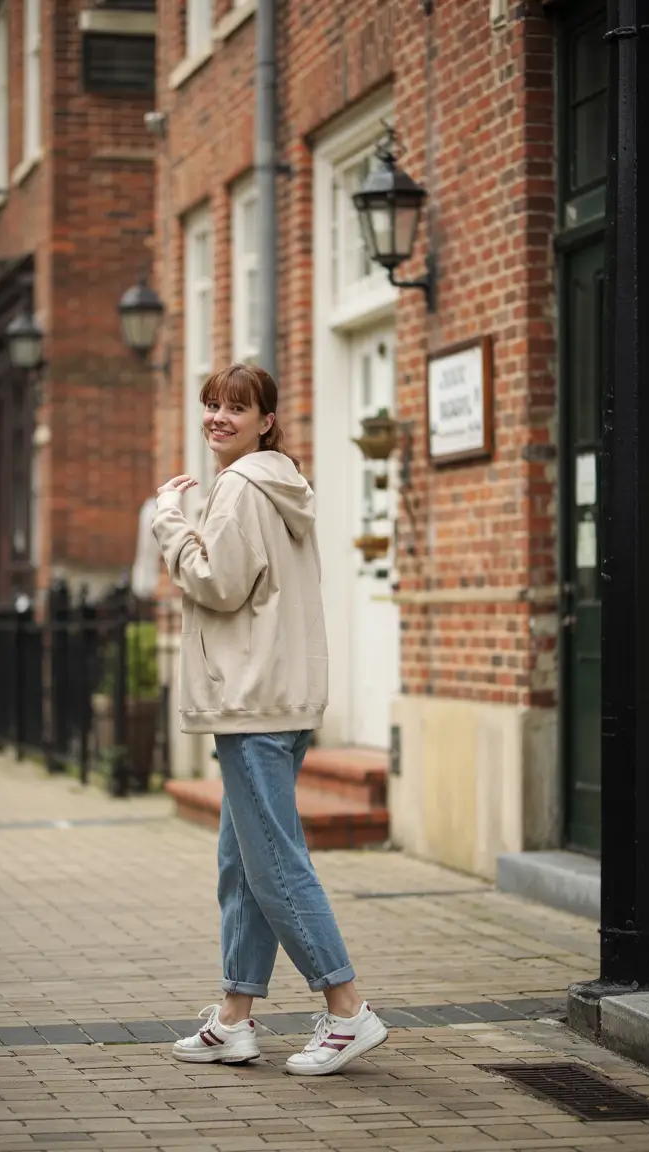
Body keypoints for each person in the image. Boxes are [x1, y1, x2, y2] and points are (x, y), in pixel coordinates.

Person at [152, 363, 388, 1077]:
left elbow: (217, 584)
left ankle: (347, 1009)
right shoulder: (282, 483)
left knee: (277, 864)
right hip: (280, 699)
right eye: (212, 405)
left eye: (236, 407)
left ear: (266, 421)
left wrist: (169, 522)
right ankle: (234, 1017)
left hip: (252, 702)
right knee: (243, 863)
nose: (219, 418)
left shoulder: (239, 487)